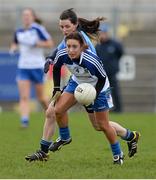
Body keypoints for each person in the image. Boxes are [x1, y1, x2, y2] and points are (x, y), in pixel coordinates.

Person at [25, 32, 140, 165]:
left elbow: (102, 78)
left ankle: (119, 151)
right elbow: (56, 67)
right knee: (57, 110)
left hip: (98, 88)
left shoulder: (91, 61)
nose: (71, 50)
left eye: (74, 47)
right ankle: (65, 137)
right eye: (68, 46)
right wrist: (57, 88)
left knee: (101, 125)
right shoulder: (63, 54)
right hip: (77, 83)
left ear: (82, 47)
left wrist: (94, 95)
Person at [10, 8, 54, 127]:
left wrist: (36, 43)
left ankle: (52, 115)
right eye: (24, 15)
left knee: (41, 98)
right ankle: (24, 120)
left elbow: (50, 43)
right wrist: (13, 48)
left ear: (33, 17)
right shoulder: (19, 31)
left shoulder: (38, 29)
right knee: (24, 96)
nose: (26, 17)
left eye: (28, 15)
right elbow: (15, 43)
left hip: (37, 66)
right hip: (23, 66)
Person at [96, 23, 123, 113]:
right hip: (102, 74)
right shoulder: (98, 46)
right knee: (104, 92)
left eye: (105, 33)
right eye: (101, 33)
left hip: (112, 73)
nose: (103, 35)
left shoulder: (115, 44)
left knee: (115, 91)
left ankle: (118, 109)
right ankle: (105, 108)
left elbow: (120, 53)